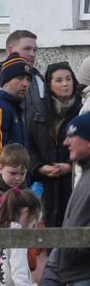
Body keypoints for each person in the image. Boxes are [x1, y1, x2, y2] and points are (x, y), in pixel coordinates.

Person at [28, 61, 79, 226]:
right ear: (49, 85)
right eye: (59, 80)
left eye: (68, 79)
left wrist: (70, 166)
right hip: (47, 187)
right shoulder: (38, 113)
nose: (65, 84)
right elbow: (29, 147)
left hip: (76, 184)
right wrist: (40, 168)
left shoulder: (83, 109)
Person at [0, 188, 42, 286]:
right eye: (32, 220)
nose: (31, 226)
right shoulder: (17, 235)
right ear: (25, 212)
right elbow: (19, 271)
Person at [58, 112, 90, 284]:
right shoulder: (85, 174)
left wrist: (75, 250)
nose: (65, 142)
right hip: (75, 274)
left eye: (72, 136)